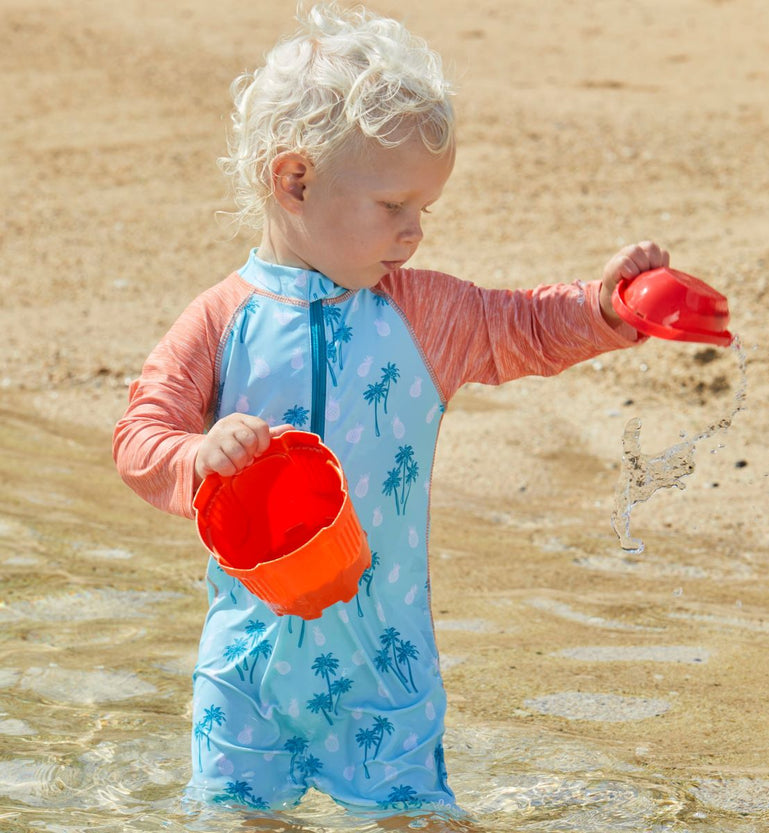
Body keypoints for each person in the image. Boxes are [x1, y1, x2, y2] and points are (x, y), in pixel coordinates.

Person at [112, 1, 669, 821]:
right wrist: (196, 456)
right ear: (294, 180)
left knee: (413, 816)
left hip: (390, 673)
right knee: (234, 817)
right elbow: (139, 434)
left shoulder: (423, 315)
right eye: (392, 206)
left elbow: (522, 326)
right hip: (247, 673)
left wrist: (605, 309)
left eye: (424, 211)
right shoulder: (221, 321)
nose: (413, 233)